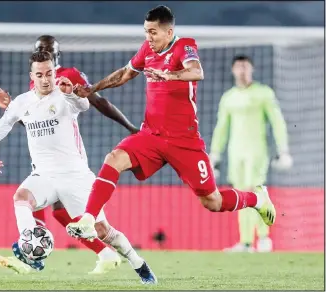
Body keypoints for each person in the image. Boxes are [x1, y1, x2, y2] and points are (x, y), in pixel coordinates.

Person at [66, 5, 276, 243]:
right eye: (146, 31)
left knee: (213, 202)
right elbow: (125, 73)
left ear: (168, 31)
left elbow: (197, 72)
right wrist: (92, 89)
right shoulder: (147, 50)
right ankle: (88, 219)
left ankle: (257, 200)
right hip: (152, 136)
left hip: (184, 141)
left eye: (153, 32)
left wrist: (170, 75)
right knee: (113, 158)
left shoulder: (184, 45)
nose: (148, 37)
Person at [0, 51, 156, 284]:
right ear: (31, 76)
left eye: (49, 74)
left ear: (55, 72)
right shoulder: (22, 102)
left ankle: (138, 263)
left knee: (102, 231)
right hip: (44, 175)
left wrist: (72, 94)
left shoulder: (64, 94)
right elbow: (5, 124)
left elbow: (83, 105)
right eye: (40, 75)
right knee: (21, 198)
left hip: (75, 177)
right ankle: (29, 247)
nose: (45, 79)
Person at [209, 55, 292, 253]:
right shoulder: (229, 97)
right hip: (235, 153)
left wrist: (283, 150)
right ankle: (245, 242)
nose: (242, 70)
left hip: (257, 152)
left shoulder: (264, 93)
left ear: (252, 69)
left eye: (246, 66)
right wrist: (215, 154)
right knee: (240, 195)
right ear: (233, 70)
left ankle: (263, 239)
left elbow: (277, 122)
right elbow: (222, 127)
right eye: (239, 67)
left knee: (256, 193)